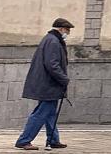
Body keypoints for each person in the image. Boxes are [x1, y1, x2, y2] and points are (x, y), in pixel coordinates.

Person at [15, 18, 72, 151]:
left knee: (50, 113)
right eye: (67, 30)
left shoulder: (51, 39)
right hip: (48, 85)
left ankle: (53, 139)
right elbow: (52, 65)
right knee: (41, 113)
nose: (68, 33)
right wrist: (64, 79)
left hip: (48, 84)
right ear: (61, 29)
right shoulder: (53, 41)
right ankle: (24, 140)